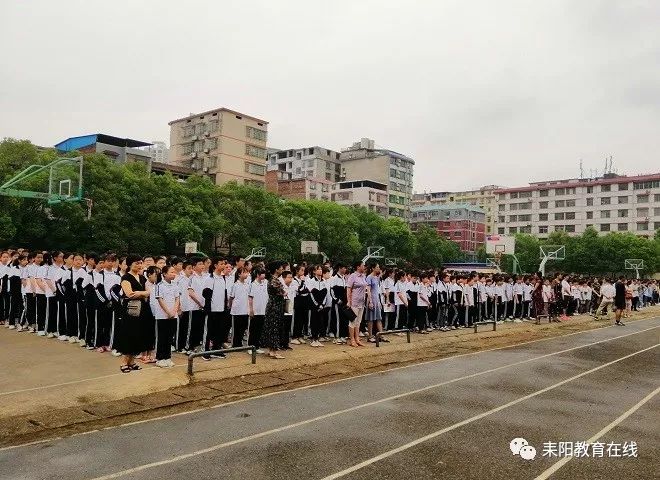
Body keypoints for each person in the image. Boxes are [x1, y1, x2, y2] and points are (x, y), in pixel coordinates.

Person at [119, 255, 149, 372]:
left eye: (140, 263)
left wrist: (140, 293)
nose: (139, 265)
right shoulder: (126, 277)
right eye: (136, 263)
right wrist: (143, 293)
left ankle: (132, 361)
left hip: (142, 309)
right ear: (130, 264)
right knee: (129, 334)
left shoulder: (142, 278)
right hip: (131, 309)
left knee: (138, 334)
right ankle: (124, 362)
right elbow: (129, 294)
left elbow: (148, 292)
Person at [260, 261, 287, 359]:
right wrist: (283, 292)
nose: (282, 269)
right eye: (281, 267)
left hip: (274, 305)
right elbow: (282, 292)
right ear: (276, 269)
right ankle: (274, 351)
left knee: (272, 327)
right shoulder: (273, 280)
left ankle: (271, 350)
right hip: (275, 306)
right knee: (274, 327)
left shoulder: (273, 279)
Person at [346, 261, 368, 347]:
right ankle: (352, 339)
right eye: (363, 266)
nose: (364, 267)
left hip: (362, 302)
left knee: (358, 322)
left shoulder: (363, 276)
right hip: (354, 302)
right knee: (353, 321)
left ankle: (357, 339)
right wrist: (349, 301)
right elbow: (348, 289)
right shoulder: (353, 276)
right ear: (358, 267)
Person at [248, 268, 268, 354]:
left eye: (264, 274)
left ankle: (257, 346)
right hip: (255, 311)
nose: (264, 275)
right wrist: (251, 310)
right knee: (253, 330)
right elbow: (250, 298)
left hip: (263, 311)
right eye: (262, 274)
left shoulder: (265, 284)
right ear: (257, 275)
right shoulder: (253, 284)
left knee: (259, 330)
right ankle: (250, 347)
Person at [365, 264, 383, 342]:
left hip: (377, 299)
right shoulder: (369, 277)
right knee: (371, 319)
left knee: (379, 318)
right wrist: (370, 302)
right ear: (373, 268)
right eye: (377, 267)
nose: (378, 269)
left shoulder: (377, 277)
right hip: (371, 299)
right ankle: (370, 336)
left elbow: (377, 290)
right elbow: (368, 290)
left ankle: (381, 335)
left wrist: (379, 301)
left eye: (379, 267)